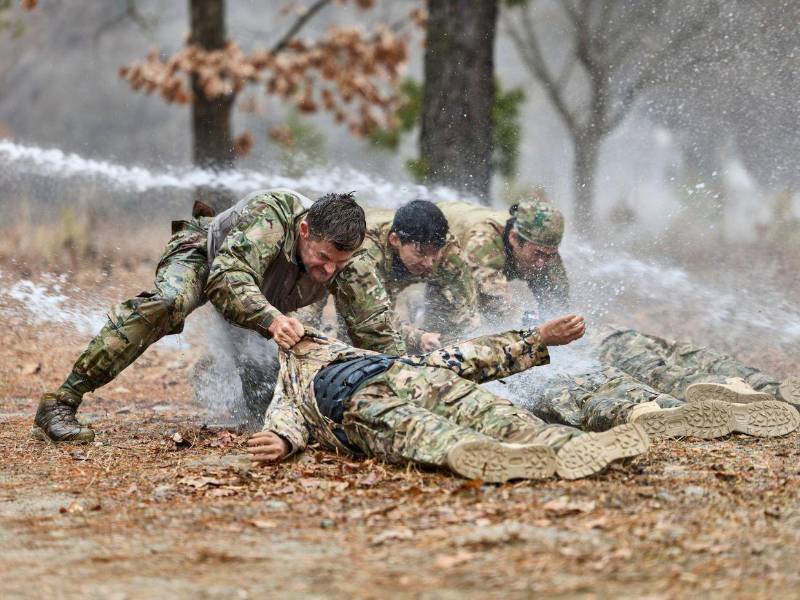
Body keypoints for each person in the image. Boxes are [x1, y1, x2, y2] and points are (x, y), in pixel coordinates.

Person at [34, 189, 370, 443]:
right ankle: (60, 403)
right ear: (305, 230)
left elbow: (373, 326)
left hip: (256, 296)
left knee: (265, 397)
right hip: (205, 258)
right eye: (323, 257)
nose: (329, 270)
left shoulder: (347, 262)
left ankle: (212, 373)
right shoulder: (270, 217)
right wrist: (273, 320)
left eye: (339, 264)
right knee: (167, 303)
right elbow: (227, 280)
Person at [246, 314, 652, 483]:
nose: (292, 330)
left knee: (489, 408)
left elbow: (457, 357)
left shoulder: (361, 352)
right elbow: (284, 417)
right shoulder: (290, 385)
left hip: (414, 376)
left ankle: (573, 446)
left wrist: (537, 337)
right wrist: (282, 440)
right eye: (282, 328)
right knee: (423, 430)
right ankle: (489, 456)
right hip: (355, 407)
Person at [316, 199, 477, 354]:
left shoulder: (448, 251)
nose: (428, 263)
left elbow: (467, 315)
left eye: (434, 254)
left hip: (390, 273)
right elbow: (373, 321)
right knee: (360, 341)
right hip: (325, 277)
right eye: (420, 253)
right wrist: (417, 337)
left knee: (448, 337)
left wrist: (449, 344)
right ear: (395, 240)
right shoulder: (365, 252)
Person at [438, 198, 569, 321]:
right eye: (538, 254)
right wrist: (533, 323)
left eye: (549, 255)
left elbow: (558, 307)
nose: (542, 263)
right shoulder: (483, 243)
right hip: (435, 252)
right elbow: (497, 304)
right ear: (513, 238)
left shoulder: (545, 253)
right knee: (460, 323)